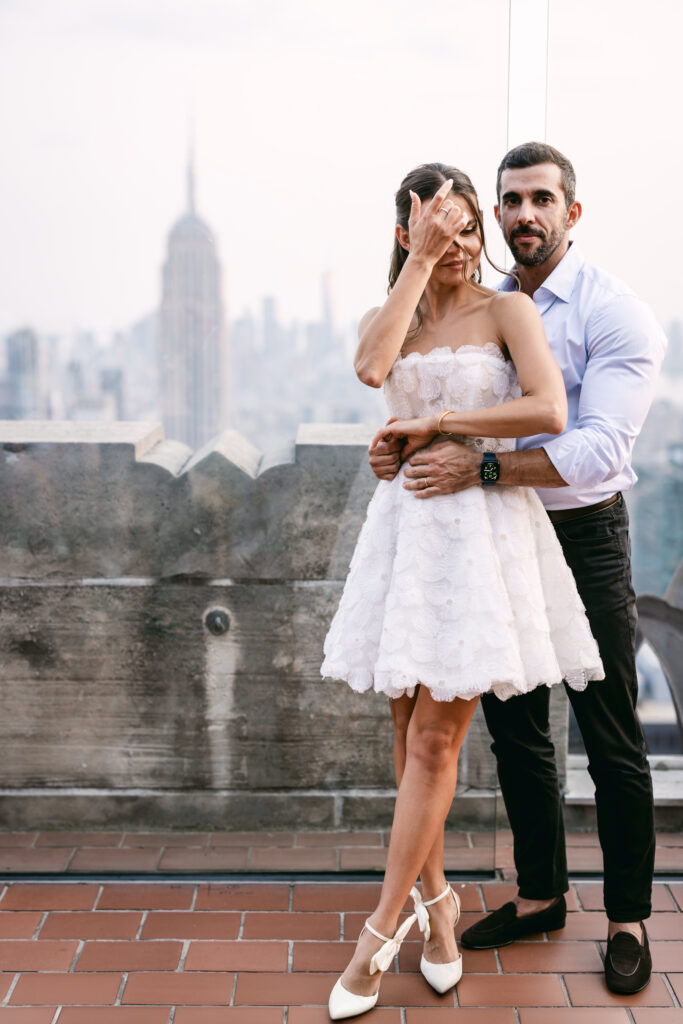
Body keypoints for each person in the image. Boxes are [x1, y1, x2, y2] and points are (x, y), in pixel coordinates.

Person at [369, 142, 667, 996]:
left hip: (583, 533)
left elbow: (598, 445)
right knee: (515, 729)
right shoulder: (483, 303)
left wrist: (484, 466)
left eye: (541, 199)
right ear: (492, 215)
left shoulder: (618, 314)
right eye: (510, 201)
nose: (524, 214)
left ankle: (626, 917)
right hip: (498, 534)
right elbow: (424, 397)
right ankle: (539, 894)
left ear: (571, 212)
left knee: (608, 727)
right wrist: (400, 444)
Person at [321, 161, 603, 1021]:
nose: (461, 242)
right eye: (440, 227)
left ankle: (376, 939)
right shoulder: (391, 317)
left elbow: (549, 408)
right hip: (406, 537)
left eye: (467, 225)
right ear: (407, 231)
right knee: (408, 738)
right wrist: (416, 265)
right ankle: (438, 916)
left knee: (437, 744)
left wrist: (441, 423)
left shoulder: (506, 308)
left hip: (481, 537)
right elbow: (373, 371)